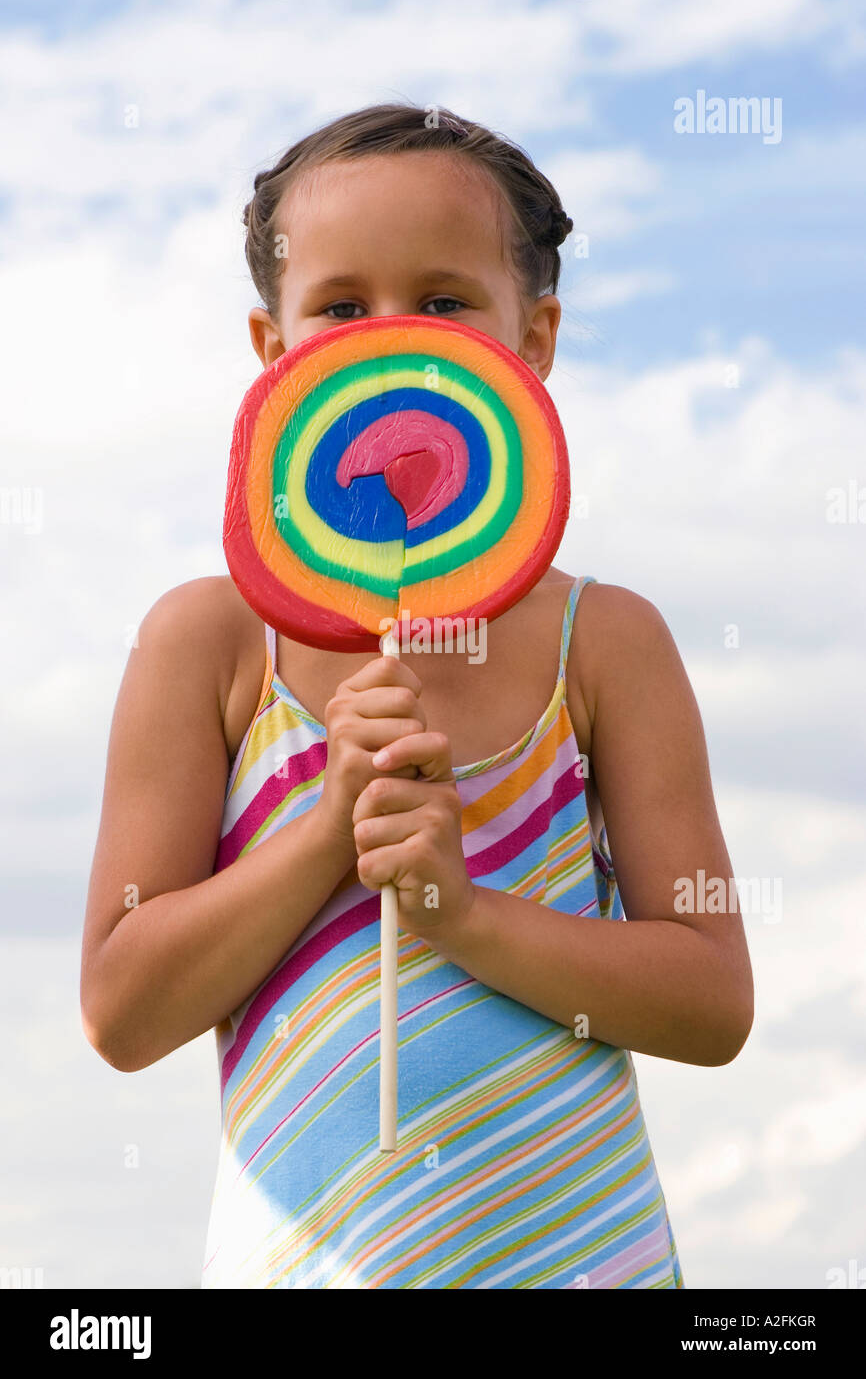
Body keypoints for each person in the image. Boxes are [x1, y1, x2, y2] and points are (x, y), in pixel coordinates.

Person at [80, 103, 753, 1289]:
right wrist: (328, 823)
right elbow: (124, 1011)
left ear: (532, 337)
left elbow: (709, 1001)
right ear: (270, 347)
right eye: (338, 308)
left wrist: (464, 913)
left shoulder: (602, 642)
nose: (392, 347)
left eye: (444, 304)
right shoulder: (212, 643)